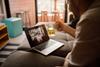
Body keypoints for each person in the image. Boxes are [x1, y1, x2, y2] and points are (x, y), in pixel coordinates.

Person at [56, 0, 100, 66]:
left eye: (68, 2)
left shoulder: (90, 19)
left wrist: (68, 56)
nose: (69, 8)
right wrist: (64, 27)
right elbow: (85, 35)